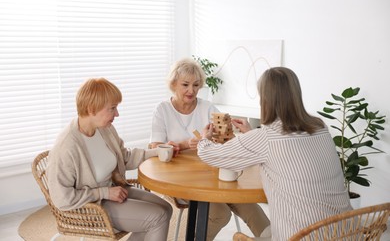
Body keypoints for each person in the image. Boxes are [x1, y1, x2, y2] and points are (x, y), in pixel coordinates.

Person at [197, 67, 352, 240]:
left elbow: (210, 155)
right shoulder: (319, 126)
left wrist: (204, 138)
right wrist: (251, 134)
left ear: (266, 99)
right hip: (348, 233)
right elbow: (289, 153)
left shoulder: (267, 137)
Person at [150, 58, 270, 240]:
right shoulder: (163, 109)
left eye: (196, 85)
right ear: (173, 84)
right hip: (180, 179)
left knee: (250, 206)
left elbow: (224, 142)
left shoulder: (207, 107)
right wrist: (183, 145)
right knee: (220, 212)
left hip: (211, 172)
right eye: (185, 84)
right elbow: (155, 147)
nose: (192, 90)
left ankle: (275, 237)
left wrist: (229, 135)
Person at [47, 78, 173, 241]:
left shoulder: (104, 129)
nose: (117, 114)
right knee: (158, 217)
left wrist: (158, 152)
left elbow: (124, 158)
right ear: (92, 109)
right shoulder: (67, 146)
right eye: (112, 108)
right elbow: (62, 199)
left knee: (166, 208)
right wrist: (104, 193)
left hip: (113, 190)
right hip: (92, 205)